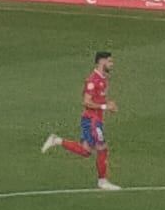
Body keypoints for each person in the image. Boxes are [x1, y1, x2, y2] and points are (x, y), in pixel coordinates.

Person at [42, 51, 120, 190]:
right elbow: (86, 102)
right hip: (92, 120)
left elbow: (98, 99)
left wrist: (108, 105)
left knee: (86, 151)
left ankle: (57, 140)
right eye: (109, 61)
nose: (111, 64)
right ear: (101, 62)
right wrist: (104, 106)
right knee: (102, 148)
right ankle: (102, 181)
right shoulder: (93, 80)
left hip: (95, 120)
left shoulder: (102, 79)